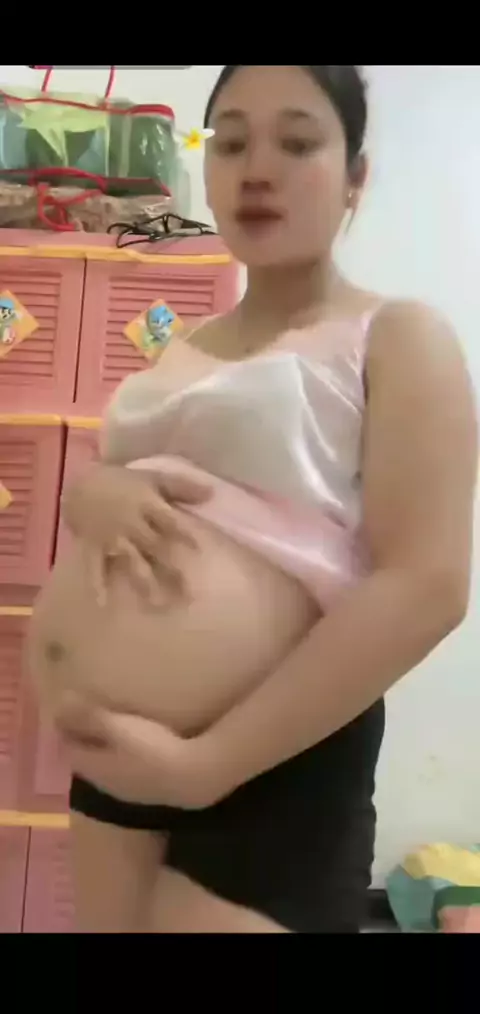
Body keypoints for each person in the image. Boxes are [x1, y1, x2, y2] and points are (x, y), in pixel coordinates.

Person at [28, 65, 477, 934]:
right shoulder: (187, 346)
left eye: (298, 143)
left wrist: (204, 768)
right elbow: (158, 492)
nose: (257, 169)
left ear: (355, 177)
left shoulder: (396, 336)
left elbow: (427, 586)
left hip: (271, 759)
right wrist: (95, 494)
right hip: (116, 752)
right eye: (230, 143)